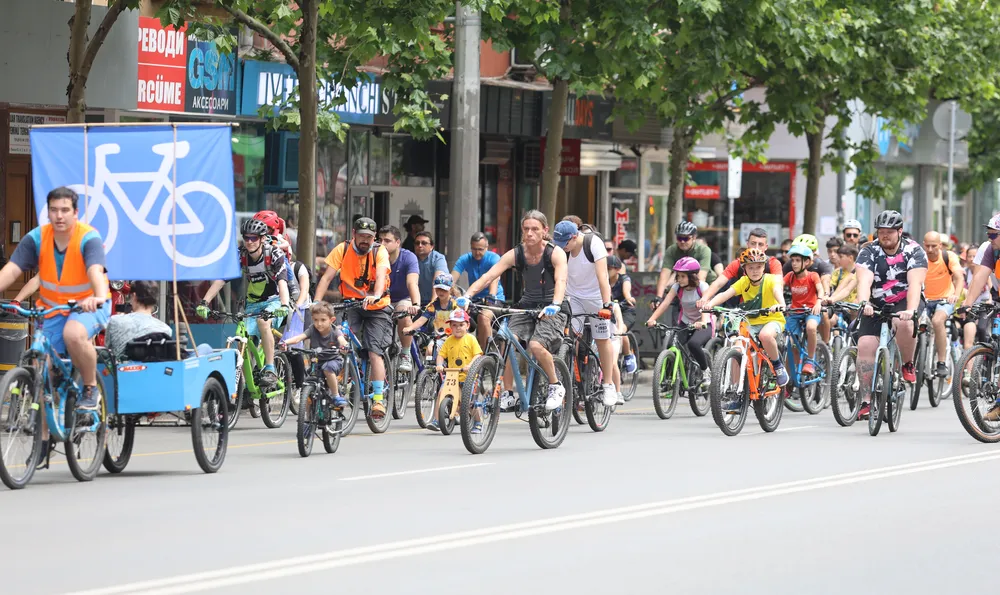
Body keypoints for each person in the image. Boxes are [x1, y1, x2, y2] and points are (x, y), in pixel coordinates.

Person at [0, 187, 110, 409]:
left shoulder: (88, 237)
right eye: (54, 210)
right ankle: (43, 441)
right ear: (47, 212)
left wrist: (97, 296)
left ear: (75, 212)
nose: (59, 215)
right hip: (52, 309)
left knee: (74, 334)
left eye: (65, 210)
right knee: (46, 375)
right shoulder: (37, 238)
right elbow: (12, 270)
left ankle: (90, 388)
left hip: (89, 305)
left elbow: (95, 271)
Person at [458, 210, 569, 411]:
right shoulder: (516, 253)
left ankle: (555, 385)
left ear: (544, 230)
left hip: (553, 307)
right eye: (526, 229)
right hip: (527, 305)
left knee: (535, 345)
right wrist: (467, 296)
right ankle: (508, 394)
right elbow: (489, 276)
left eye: (535, 229)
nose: (529, 233)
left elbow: (561, 280)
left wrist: (556, 303)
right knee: (507, 340)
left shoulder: (555, 253)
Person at [313, 217, 393, 418]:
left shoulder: (379, 251)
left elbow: (381, 277)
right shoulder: (342, 249)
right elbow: (326, 277)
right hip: (352, 303)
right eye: (361, 236)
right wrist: (315, 303)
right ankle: (338, 383)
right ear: (354, 235)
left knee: (374, 351)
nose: (365, 240)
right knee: (338, 339)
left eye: (369, 237)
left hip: (378, 306)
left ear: (375, 238)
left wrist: (375, 296)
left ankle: (378, 400)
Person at [198, 218, 291, 387]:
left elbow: (282, 283)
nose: (249, 241)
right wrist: (204, 302)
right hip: (253, 303)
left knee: (263, 323)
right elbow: (221, 280)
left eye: (254, 238)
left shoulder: (274, 254)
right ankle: (246, 388)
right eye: (246, 238)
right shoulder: (241, 255)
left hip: (275, 301)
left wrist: (284, 305)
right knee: (243, 340)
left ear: (263, 238)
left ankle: (270, 368)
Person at [854, 210, 927, 419]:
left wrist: (911, 310)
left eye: (889, 232)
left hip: (904, 300)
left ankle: (907, 363)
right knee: (865, 345)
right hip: (876, 302)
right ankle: (867, 401)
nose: (884, 236)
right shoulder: (868, 251)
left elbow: (915, 284)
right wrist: (863, 302)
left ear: (900, 231)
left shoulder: (914, 251)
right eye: (881, 232)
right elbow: (864, 281)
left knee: (903, 324)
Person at [551, 220, 618, 407]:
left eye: (564, 244)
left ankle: (608, 385)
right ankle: (569, 377)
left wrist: (607, 304)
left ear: (573, 238)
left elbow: (602, 276)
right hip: (574, 298)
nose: (562, 248)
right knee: (569, 339)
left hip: (596, 298)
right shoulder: (561, 249)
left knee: (602, 338)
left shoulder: (593, 243)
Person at [704, 248, 789, 391]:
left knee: (765, 336)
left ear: (764, 267)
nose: (755, 270)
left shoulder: (770, 279)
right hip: (751, 322)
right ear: (744, 269)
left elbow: (777, 291)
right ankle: (735, 389)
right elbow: (725, 294)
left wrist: (781, 304)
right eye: (751, 267)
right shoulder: (743, 282)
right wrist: (710, 304)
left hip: (772, 319)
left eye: (759, 267)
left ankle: (778, 365)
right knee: (737, 347)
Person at [646, 257, 713, 389]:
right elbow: (665, 304)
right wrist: (652, 319)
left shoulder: (702, 286)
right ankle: (672, 381)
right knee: (672, 345)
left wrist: (703, 321)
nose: (679, 279)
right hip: (685, 322)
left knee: (694, 344)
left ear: (692, 276)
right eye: (678, 276)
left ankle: (706, 371)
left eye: (683, 276)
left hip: (704, 323)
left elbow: (706, 306)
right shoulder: (677, 287)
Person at [281, 301, 349, 408]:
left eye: (323, 320)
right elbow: (299, 337)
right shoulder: (312, 329)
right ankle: (307, 419)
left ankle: (336, 395)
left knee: (328, 368)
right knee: (307, 386)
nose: (319, 323)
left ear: (332, 320)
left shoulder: (335, 331)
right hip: (317, 362)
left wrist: (345, 345)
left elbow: (342, 340)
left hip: (333, 360)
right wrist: (286, 342)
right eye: (316, 320)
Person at [697, 228, 783, 309]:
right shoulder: (737, 264)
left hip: (768, 310)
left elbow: (778, 286)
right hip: (745, 310)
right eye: (753, 243)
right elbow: (718, 283)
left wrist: (781, 304)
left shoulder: (773, 263)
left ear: (766, 247)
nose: (756, 248)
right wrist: (704, 299)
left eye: (760, 244)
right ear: (747, 244)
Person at [430, 309, 484, 432]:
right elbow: (441, 354)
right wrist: (439, 364)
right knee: (441, 393)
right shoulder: (449, 340)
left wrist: (470, 365)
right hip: (452, 376)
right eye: (454, 325)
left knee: (470, 402)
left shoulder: (470, 339)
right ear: (450, 326)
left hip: (469, 376)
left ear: (467, 325)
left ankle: (478, 422)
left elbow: (478, 354)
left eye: (461, 325)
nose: (458, 328)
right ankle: (437, 420)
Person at [451, 231, 506, 349]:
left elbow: (494, 278)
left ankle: (484, 355)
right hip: (474, 299)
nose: (477, 252)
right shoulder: (465, 259)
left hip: (494, 299)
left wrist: (491, 296)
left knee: (483, 317)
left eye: (480, 249)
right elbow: (452, 279)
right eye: (474, 249)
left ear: (487, 247)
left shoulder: (494, 258)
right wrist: (450, 290)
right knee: (456, 316)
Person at [379, 225, 421, 372]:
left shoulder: (408, 257)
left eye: (387, 240)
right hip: (382, 299)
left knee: (403, 313)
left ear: (398, 242)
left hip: (402, 298)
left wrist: (416, 304)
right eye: (380, 240)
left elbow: (412, 283)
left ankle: (405, 353)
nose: (382, 244)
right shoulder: (375, 255)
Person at [922, 231, 964, 377]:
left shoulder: (949, 257)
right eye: (927, 246)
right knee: (910, 323)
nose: (930, 249)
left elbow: (959, 278)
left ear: (940, 245)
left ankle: (941, 363)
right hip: (924, 300)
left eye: (934, 246)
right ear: (923, 244)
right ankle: (912, 360)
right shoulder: (920, 257)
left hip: (945, 299)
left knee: (937, 321)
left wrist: (955, 295)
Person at [105, 280, 173, 362]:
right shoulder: (166, 330)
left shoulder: (115, 321)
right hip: (155, 373)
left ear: (134, 296)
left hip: (121, 372)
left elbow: (107, 350)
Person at [783, 245, 825, 375]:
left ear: (806, 262)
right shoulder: (790, 276)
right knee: (788, 342)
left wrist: (819, 301)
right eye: (793, 260)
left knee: (811, 327)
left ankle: (810, 361)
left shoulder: (813, 276)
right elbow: (778, 287)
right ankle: (789, 379)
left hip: (811, 311)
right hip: (795, 312)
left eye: (797, 260)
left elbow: (820, 290)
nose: (794, 263)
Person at [655, 221, 715, 298]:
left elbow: (701, 277)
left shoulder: (704, 250)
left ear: (694, 237)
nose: (682, 241)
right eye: (679, 238)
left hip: (706, 285)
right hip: (683, 285)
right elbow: (664, 274)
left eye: (685, 238)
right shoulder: (672, 250)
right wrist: (659, 297)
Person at [403, 273, 458, 356]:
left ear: (450, 289)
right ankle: (430, 367)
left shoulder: (455, 304)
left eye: (444, 289)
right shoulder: (433, 305)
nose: (440, 292)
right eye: (438, 289)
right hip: (439, 338)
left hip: (455, 337)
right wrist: (410, 328)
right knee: (429, 351)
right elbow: (422, 320)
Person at [607, 255, 637, 372]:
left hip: (625, 310)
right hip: (609, 310)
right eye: (605, 267)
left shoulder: (624, 279)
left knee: (621, 331)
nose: (606, 270)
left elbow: (626, 291)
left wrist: (628, 297)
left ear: (617, 269)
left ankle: (628, 355)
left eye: (609, 268)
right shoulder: (601, 278)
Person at [960, 243, 991, 350]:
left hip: (985, 307)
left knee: (982, 329)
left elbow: (992, 289)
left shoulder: (985, 271)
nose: (972, 260)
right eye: (970, 256)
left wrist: (990, 300)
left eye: (975, 256)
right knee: (967, 337)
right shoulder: (964, 273)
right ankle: (969, 365)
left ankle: (986, 355)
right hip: (970, 308)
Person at [413, 230, 449, 307]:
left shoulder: (438, 258)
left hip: (437, 301)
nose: (420, 245)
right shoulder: (411, 258)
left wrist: (432, 304)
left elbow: (438, 281)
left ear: (432, 247)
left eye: (424, 243)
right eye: (417, 243)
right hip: (416, 302)